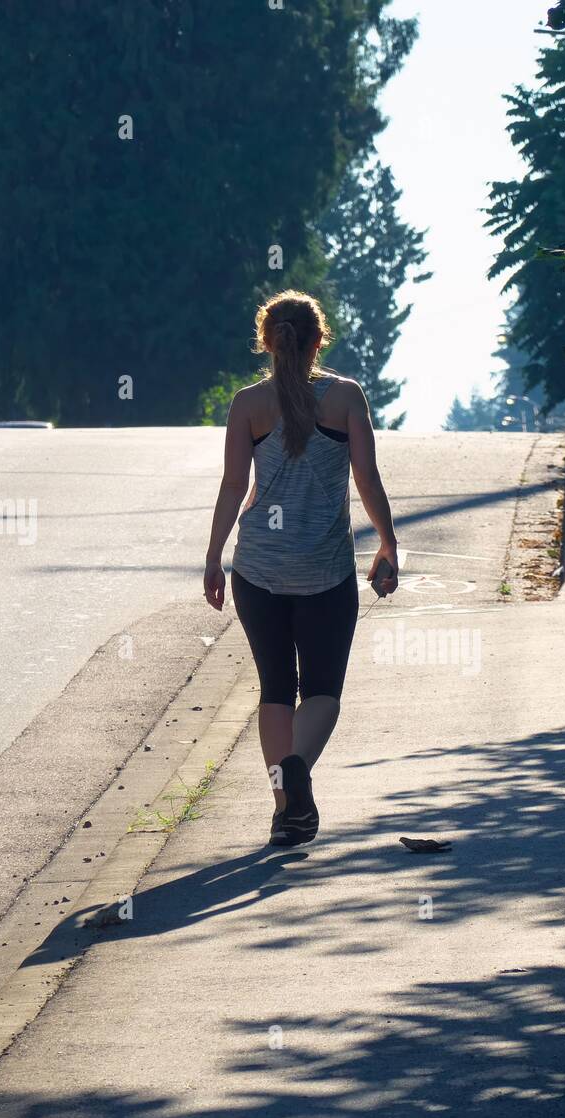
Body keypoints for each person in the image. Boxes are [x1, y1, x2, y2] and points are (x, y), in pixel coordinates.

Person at [203, 289, 399, 846]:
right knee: (321, 691)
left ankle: (287, 808)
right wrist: (387, 543)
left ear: (268, 342)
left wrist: (214, 556)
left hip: (258, 569)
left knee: (273, 691)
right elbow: (367, 478)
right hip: (325, 569)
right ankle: (298, 770)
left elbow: (233, 486)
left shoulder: (247, 404)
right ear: (319, 341)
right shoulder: (344, 398)